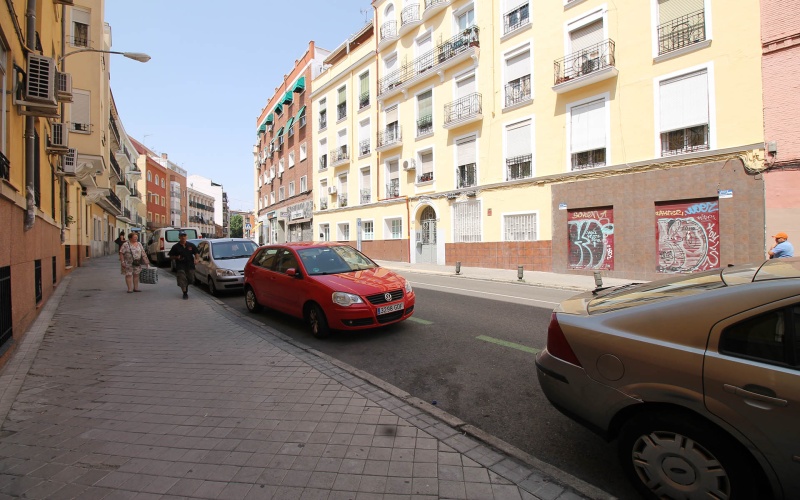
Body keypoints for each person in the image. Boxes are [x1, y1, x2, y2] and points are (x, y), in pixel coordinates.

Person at [169, 231, 199, 299]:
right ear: (179, 237)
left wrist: (197, 259)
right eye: (181, 236)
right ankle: (185, 293)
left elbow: (196, 253)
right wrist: (176, 257)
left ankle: (186, 286)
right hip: (180, 265)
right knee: (182, 278)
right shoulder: (175, 247)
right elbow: (170, 256)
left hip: (190, 265)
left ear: (186, 237)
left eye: (184, 236)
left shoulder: (191, 245)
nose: (183, 237)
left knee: (191, 279)